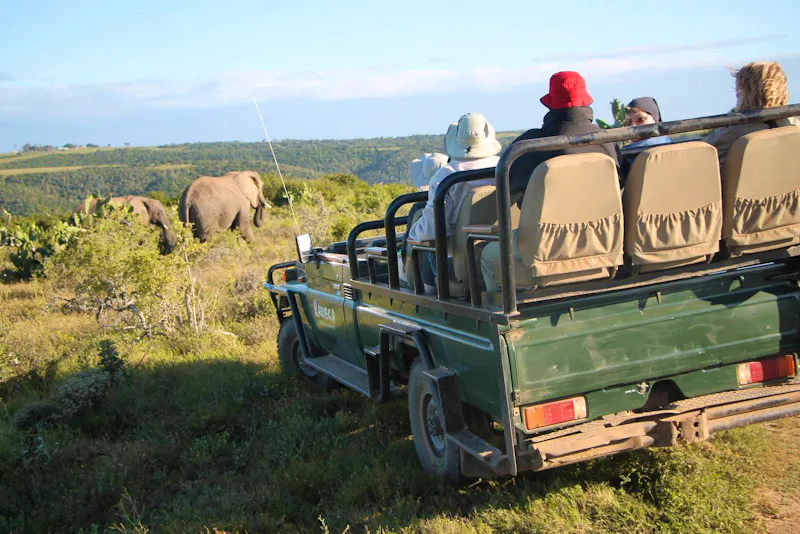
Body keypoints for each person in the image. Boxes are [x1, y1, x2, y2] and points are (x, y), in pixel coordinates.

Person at [405, 112, 502, 293]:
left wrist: (414, 235)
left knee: (425, 248)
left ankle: (429, 299)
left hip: (460, 261)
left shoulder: (446, 175)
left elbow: (432, 227)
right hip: (501, 250)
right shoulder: (503, 167)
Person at [508, 71, 621, 200]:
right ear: (585, 101)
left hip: (546, 219)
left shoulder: (526, 146)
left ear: (550, 103)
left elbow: (509, 186)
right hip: (603, 218)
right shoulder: (607, 140)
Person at [706, 61, 793, 168]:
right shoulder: (793, 127)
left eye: (739, 90)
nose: (737, 95)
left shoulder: (731, 132)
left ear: (747, 93)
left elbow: (701, 159)